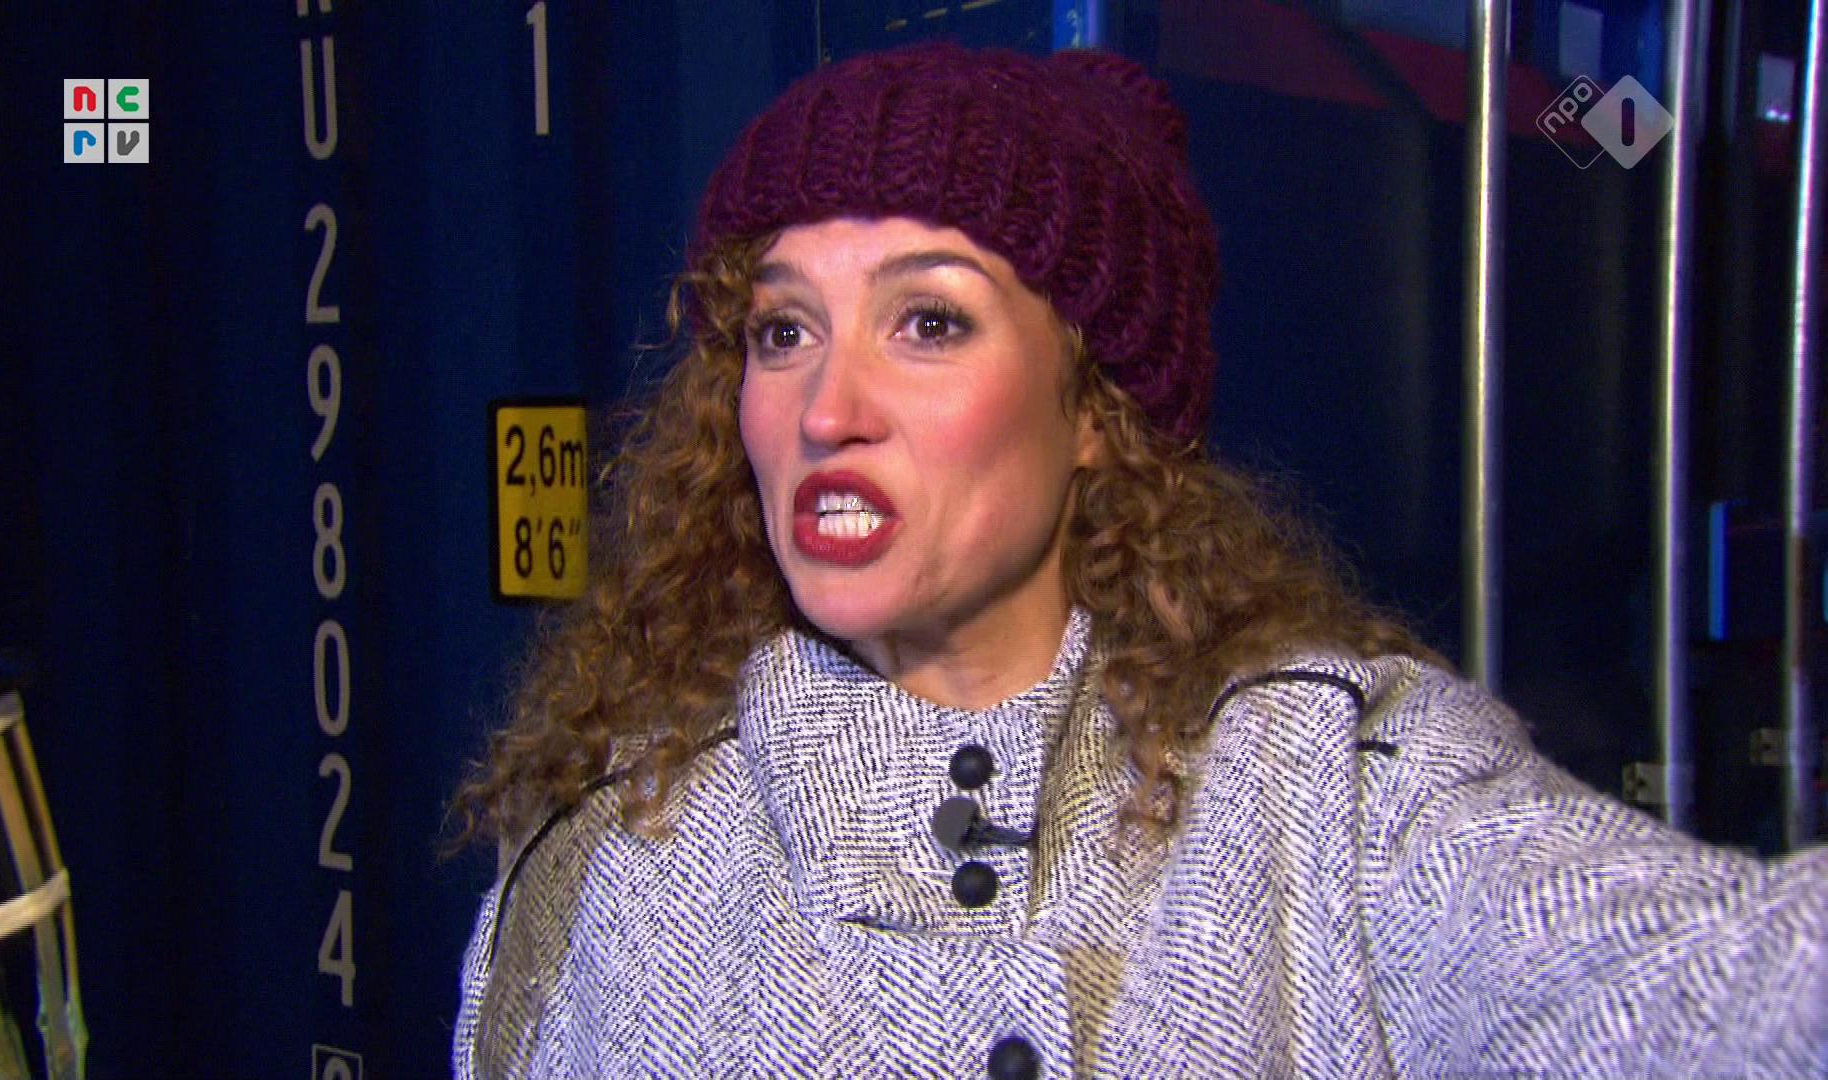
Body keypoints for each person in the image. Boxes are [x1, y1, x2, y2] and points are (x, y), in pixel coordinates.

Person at [452, 41, 1826, 1079]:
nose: (827, 410)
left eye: (929, 323)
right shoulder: (611, 850)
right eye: (783, 331)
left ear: (1094, 409)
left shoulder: (1333, 790)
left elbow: (1724, 984)